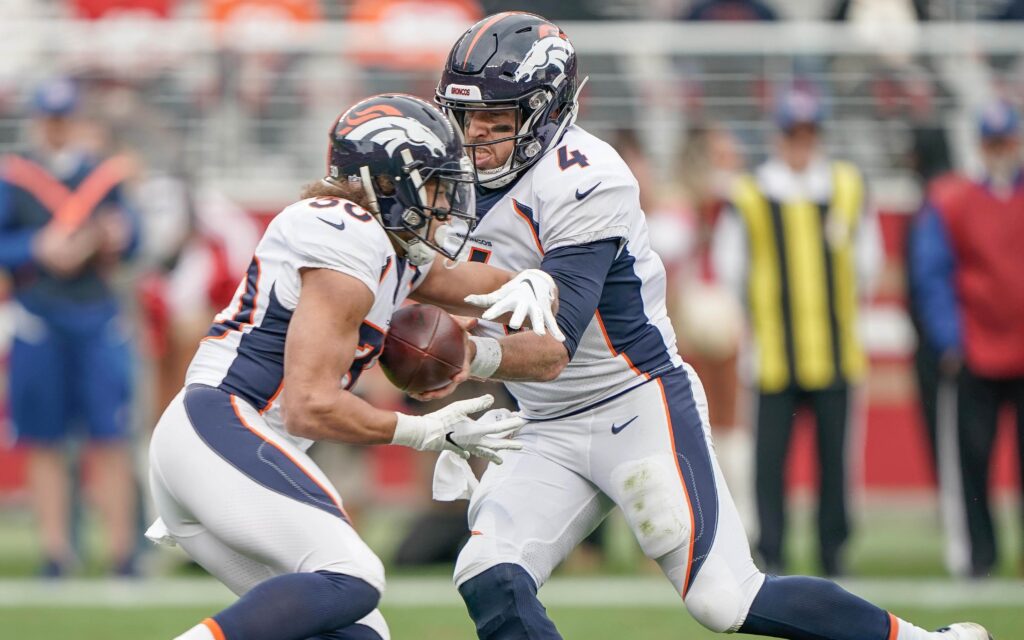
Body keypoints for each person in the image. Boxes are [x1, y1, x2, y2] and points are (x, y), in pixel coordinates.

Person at [429, 12, 992, 640]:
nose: (475, 138)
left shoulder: (586, 176)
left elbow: (552, 348)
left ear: (545, 112)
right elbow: (414, 282)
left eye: (496, 121)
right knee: (488, 572)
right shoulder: (446, 180)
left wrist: (459, 355)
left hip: (632, 405)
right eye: (465, 117)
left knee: (724, 599)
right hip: (543, 425)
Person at [148, 94, 562, 640]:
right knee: (354, 575)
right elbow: (309, 405)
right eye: (434, 183)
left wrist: (535, 280)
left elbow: (466, 284)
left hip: (228, 443)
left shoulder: (386, 246)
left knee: (360, 630)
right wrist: (423, 431)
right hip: (221, 426)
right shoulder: (346, 232)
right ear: (387, 181)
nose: (446, 203)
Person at [713, 85, 882, 578]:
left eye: (809, 133)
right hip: (773, 354)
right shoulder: (751, 193)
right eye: (793, 133)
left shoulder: (847, 187)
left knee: (836, 463)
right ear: (779, 136)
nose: (801, 143)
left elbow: (867, 264)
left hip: (836, 351)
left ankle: (835, 550)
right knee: (771, 463)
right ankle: (773, 552)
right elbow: (731, 269)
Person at [0, 77, 140, 577]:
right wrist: (37, 247)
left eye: (65, 118)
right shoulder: (16, 177)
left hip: (97, 314)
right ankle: (56, 551)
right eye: (51, 119)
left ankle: (123, 552)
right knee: (45, 440)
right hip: (39, 315)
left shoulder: (103, 174)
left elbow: (133, 237)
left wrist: (115, 237)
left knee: (111, 435)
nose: (58, 128)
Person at [910, 100, 1024, 579]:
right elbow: (932, 276)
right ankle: (979, 556)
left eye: (1005, 141)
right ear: (980, 145)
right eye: (991, 142)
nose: (999, 150)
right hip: (976, 349)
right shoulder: (952, 201)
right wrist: (950, 339)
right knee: (971, 462)